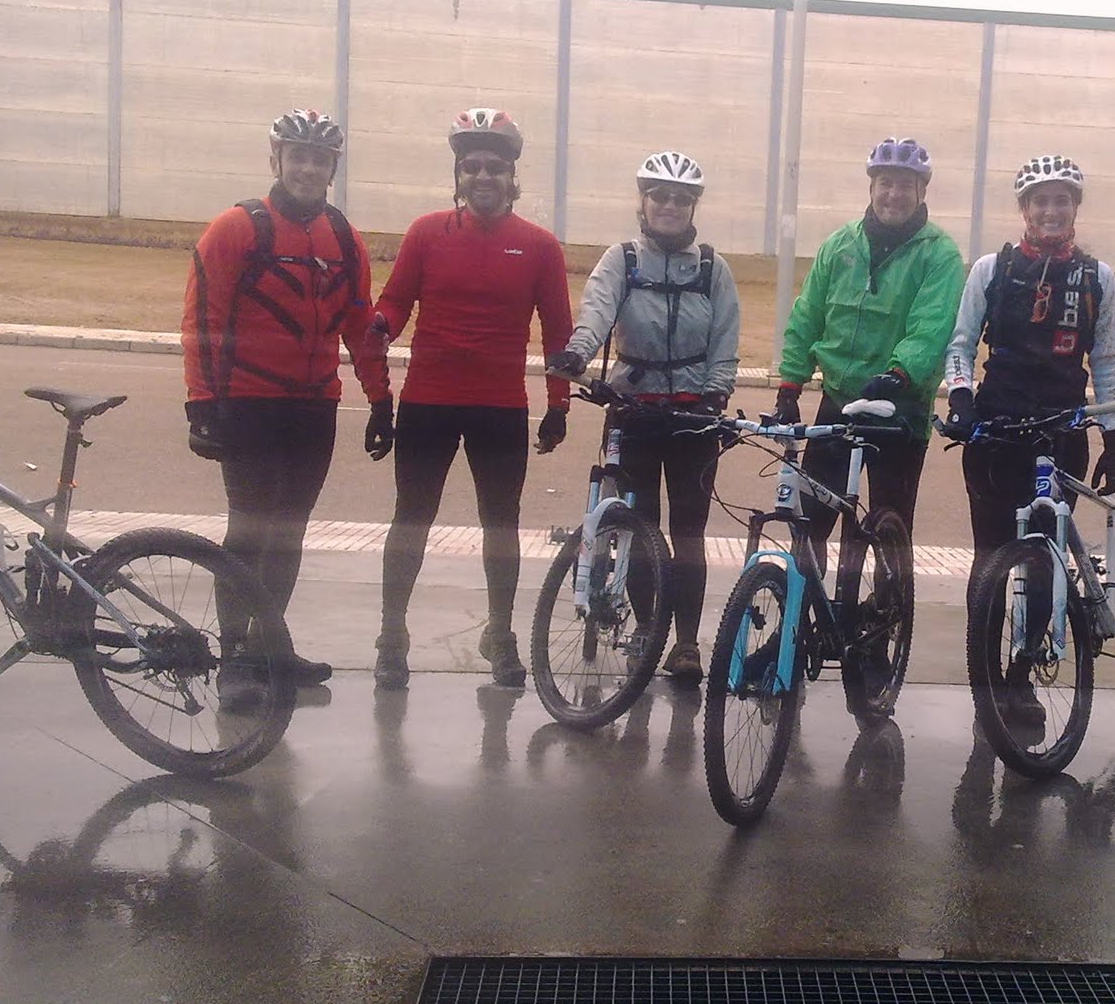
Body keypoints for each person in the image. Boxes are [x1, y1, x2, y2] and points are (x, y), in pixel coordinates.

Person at [182, 108, 389, 691]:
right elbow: (202, 319)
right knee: (249, 531)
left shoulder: (344, 238)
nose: (308, 169)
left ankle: (268, 647)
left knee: (290, 532)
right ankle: (232, 658)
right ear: (276, 160)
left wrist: (380, 399)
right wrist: (201, 403)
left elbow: (359, 324)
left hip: (314, 408)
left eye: (319, 159)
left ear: (332, 169)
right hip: (248, 403)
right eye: (298, 156)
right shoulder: (236, 228)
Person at [366, 107, 573, 691]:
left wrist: (558, 403)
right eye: (472, 166)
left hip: (499, 407)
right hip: (429, 401)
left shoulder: (539, 246)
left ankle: (500, 633)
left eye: (495, 167)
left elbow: (558, 331)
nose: (484, 176)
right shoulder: (425, 232)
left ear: (512, 176)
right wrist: (380, 324)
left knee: (500, 524)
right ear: (458, 175)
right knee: (411, 518)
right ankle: (391, 635)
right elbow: (396, 300)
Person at [941, 155, 1115, 724]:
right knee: (990, 559)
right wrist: (960, 397)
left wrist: (1114, 435)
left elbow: (1107, 360)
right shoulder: (991, 269)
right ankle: (985, 676)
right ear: (1024, 208)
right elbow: (960, 344)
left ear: (1075, 207)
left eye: (1061, 200)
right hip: (996, 430)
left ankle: (1021, 674)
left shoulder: (1097, 277)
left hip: (1062, 431)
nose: (1051, 210)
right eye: (1040, 200)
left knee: (1046, 556)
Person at [546, 151, 741, 684]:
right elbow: (597, 313)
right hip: (634, 408)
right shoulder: (622, 259)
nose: (669, 206)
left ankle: (685, 644)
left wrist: (715, 394)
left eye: (681, 198)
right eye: (660, 196)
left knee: (689, 533)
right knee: (639, 527)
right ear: (644, 201)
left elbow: (725, 341)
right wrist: (577, 355)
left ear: (693, 206)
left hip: (693, 415)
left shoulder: (712, 268)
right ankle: (648, 630)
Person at [776, 137, 965, 552]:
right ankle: (805, 593)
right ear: (871, 187)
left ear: (922, 191)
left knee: (888, 533)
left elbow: (932, 325)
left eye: (905, 185)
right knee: (810, 522)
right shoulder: (839, 245)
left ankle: (890, 592)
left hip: (900, 406)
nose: (894, 194)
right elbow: (808, 314)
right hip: (839, 402)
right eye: (885, 183)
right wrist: (790, 384)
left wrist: (899, 373)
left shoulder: (939, 255)